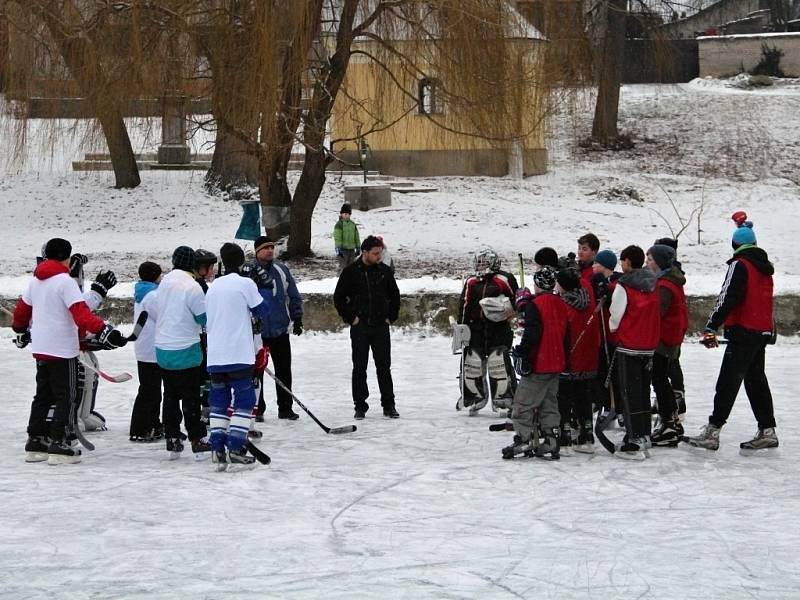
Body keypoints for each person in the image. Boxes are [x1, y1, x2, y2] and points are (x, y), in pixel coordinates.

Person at [12, 238, 127, 465]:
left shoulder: (36, 280)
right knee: (67, 396)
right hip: (62, 350)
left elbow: (22, 311)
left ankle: (36, 440)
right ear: (67, 257)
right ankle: (59, 443)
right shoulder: (65, 282)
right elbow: (80, 312)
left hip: (42, 349)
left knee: (43, 395)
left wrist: (20, 331)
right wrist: (103, 330)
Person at [684, 220, 778, 453]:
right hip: (760, 331)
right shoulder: (764, 268)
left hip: (744, 331)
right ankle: (767, 430)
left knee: (728, 380)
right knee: (756, 381)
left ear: (734, 245)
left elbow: (728, 297)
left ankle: (713, 431)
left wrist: (711, 327)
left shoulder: (740, 264)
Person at [206, 243, 272, 469]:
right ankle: (235, 445)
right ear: (242, 261)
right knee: (244, 400)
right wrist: (264, 288)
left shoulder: (213, 286)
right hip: (238, 353)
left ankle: (216, 447)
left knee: (219, 401)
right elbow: (262, 310)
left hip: (215, 356)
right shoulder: (245, 283)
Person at [503, 266, 568, 460]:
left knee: (523, 402)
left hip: (540, 362)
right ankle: (551, 438)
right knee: (549, 402)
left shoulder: (535, 305)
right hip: (557, 361)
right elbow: (566, 333)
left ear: (538, 285)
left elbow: (533, 332)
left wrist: (522, 352)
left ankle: (525, 439)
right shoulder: (561, 303)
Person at [334, 235, 401, 419]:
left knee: (384, 367)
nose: (379, 256)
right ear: (364, 252)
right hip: (360, 326)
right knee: (359, 368)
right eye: (375, 253)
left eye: (380, 253)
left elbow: (395, 296)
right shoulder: (350, 271)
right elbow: (339, 298)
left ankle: (389, 404)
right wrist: (351, 318)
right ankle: (360, 406)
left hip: (380, 326)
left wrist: (390, 317)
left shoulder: (384, 271)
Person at [153, 246, 209, 458]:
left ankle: (173, 437)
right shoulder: (192, 286)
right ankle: (197, 438)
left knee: (170, 394)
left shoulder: (165, 282)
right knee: (191, 396)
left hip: (163, 349)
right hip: (186, 348)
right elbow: (203, 317)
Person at [607, 245, 659, 460]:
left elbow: (615, 314)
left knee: (628, 393)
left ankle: (634, 439)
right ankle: (644, 433)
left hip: (629, 344)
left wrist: (612, 327)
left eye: (622, 261)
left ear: (628, 262)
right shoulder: (652, 283)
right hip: (648, 345)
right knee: (642, 391)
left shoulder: (624, 285)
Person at [248, 235, 304, 420]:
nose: (270, 250)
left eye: (272, 247)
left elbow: (293, 294)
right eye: (265, 248)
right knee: (257, 372)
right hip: (258, 332)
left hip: (279, 329)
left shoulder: (281, 270)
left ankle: (285, 408)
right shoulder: (249, 272)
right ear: (257, 252)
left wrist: (297, 317)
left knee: (284, 370)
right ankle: (258, 409)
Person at [455, 246, 517, 414]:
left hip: (498, 328)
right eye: (479, 262)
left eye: (484, 263)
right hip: (476, 328)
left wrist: (506, 309)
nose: (481, 266)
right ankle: (475, 396)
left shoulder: (504, 279)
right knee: (473, 361)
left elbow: (516, 300)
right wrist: (461, 327)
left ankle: (504, 399)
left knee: (498, 362)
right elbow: (465, 304)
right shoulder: (471, 281)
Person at [646, 245, 688, 447]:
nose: (647, 263)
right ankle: (672, 420)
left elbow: (655, 314)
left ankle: (669, 424)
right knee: (662, 379)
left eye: (651, 259)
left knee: (659, 380)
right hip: (670, 338)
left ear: (660, 262)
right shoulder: (671, 281)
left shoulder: (665, 286)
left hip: (663, 341)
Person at [556, 267, 600, 454]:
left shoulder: (563, 306)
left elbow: (558, 332)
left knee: (564, 397)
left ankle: (565, 436)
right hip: (587, 357)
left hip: (569, 357)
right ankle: (586, 434)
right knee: (583, 395)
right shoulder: (587, 298)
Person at [129, 261, 164, 442]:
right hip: (152, 348)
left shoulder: (142, 291)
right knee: (149, 391)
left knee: (151, 390)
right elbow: (163, 316)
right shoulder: (152, 295)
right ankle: (140, 427)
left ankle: (153, 424)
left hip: (144, 348)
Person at [655, 236, 687, 420]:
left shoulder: (668, 280)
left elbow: (659, 309)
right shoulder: (673, 275)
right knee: (670, 364)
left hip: (668, 333)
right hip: (673, 330)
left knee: (668, 366)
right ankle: (673, 400)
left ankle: (674, 401)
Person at [333, 203, 360, 273]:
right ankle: (340, 280)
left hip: (351, 250)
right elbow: (337, 237)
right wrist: (338, 247)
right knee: (343, 267)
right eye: (344, 214)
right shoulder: (339, 224)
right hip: (343, 250)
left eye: (347, 214)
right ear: (341, 214)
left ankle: (350, 282)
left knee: (351, 267)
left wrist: (358, 247)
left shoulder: (352, 224)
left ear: (350, 215)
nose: (346, 215)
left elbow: (356, 236)